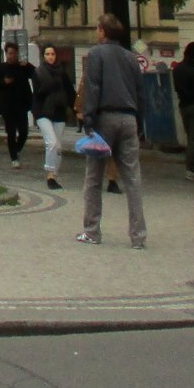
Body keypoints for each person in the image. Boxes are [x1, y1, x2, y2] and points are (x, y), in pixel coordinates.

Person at [76, 13, 146, 249]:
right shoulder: (131, 58)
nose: (97, 32)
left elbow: (93, 87)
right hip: (129, 117)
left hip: (104, 117)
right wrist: (140, 121)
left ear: (103, 32)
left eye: (98, 28)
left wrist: (88, 118)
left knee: (94, 178)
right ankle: (138, 235)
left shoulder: (96, 54)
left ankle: (92, 231)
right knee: (132, 178)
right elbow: (140, 90)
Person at [32, 44, 73, 191]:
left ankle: (54, 175)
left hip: (59, 112)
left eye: (53, 54)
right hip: (43, 112)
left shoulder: (62, 73)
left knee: (59, 146)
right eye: (48, 54)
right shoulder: (39, 72)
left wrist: (75, 109)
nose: (50, 57)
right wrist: (50, 86)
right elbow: (38, 94)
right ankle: (50, 174)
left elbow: (70, 92)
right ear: (44, 56)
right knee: (52, 143)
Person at [0, 42, 36, 170]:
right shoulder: (2, 68)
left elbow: (36, 73)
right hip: (8, 106)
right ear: (6, 54)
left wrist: (27, 64)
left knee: (24, 131)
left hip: (21, 105)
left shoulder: (22, 67)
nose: (11, 56)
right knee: (11, 132)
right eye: (9, 53)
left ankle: (17, 149)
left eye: (14, 53)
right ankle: (13, 157)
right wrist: (4, 82)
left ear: (17, 54)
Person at [173, 41, 194, 173]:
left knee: (189, 135)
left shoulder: (178, 68)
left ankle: (191, 166)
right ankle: (191, 167)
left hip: (183, 105)